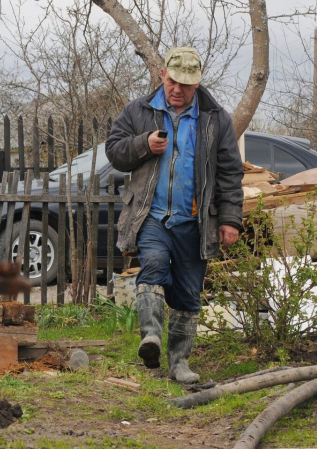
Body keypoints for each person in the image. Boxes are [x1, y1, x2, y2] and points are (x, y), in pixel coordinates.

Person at [105, 47, 244, 384]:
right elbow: (113, 151)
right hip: (151, 216)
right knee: (152, 263)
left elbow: (229, 172)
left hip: (195, 221)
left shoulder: (215, 118)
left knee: (187, 293)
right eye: (173, 82)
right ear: (163, 75)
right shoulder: (139, 111)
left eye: (186, 85)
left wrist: (229, 219)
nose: (177, 90)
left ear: (197, 84)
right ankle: (150, 336)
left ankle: (179, 363)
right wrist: (142, 144)